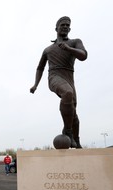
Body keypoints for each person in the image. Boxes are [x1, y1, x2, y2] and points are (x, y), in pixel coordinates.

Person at [30, 16, 87, 148]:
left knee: (73, 113)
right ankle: (68, 131)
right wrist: (35, 85)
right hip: (54, 77)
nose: (65, 26)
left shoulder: (74, 42)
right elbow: (40, 68)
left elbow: (83, 55)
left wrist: (69, 49)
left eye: (68, 25)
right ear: (56, 28)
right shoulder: (48, 49)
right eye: (63, 25)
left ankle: (76, 141)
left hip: (68, 77)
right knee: (67, 93)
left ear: (70, 28)